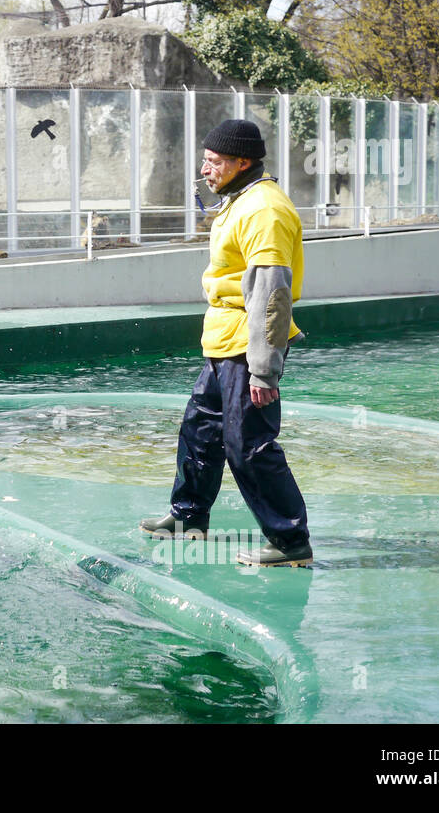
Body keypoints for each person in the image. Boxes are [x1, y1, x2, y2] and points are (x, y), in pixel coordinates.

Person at [140, 119, 312, 567]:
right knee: (200, 431)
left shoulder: (264, 210)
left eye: (214, 162)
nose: (205, 170)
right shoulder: (240, 200)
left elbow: (271, 295)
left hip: (248, 343)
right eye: (206, 160)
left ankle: (290, 540)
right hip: (224, 339)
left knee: (248, 445)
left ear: (243, 162)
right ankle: (188, 516)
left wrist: (263, 370)